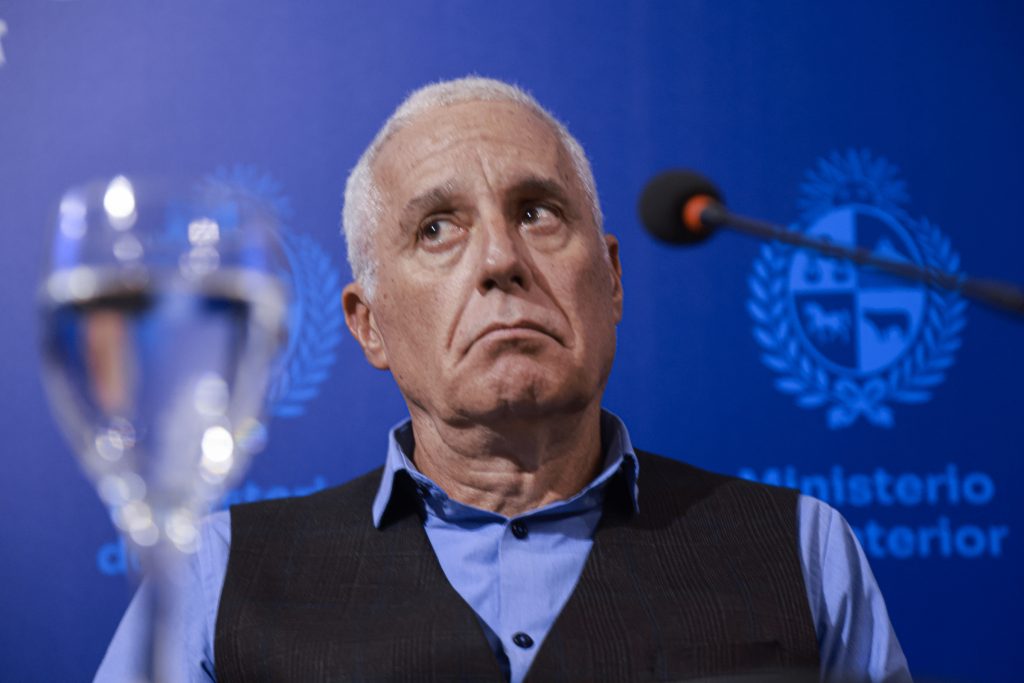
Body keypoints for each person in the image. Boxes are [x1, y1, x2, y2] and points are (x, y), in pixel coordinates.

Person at [96, 76, 911, 683]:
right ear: (368, 323)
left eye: (537, 212)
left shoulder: (803, 551)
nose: (499, 259)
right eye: (437, 228)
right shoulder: (218, 574)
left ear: (613, 280)